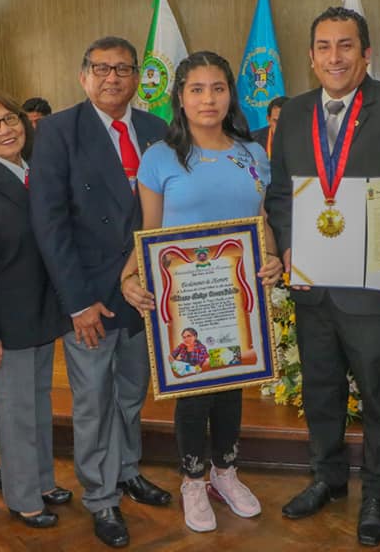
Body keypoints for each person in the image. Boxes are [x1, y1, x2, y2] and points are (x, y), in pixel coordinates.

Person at [264, 7, 380, 547]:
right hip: (314, 284)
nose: (335, 56)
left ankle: (376, 494)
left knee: (379, 395)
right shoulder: (292, 115)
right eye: (324, 46)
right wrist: (291, 245)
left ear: (366, 53)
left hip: (374, 284)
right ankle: (327, 477)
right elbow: (279, 194)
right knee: (320, 390)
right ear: (311, 56)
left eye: (346, 45)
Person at [120, 50, 283, 533]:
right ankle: (193, 479)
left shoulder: (252, 153)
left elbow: (262, 221)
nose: (207, 98)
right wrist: (129, 278)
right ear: (180, 97)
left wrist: (272, 257)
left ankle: (225, 473)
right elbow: (148, 230)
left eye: (217, 88)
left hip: (237, 296)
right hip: (184, 297)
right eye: (196, 89)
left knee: (231, 386)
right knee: (192, 392)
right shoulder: (159, 156)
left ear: (230, 94)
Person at [30, 36, 171, 548]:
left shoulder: (158, 131)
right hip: (90, 296)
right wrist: (77, 302)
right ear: (83, 75)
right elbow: (50, 224)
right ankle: (100, 496)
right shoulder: (58, 132)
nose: (112, 78)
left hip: (144, 294)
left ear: (138, 78)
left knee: (132, 393)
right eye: (101, 68)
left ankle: (127, 469)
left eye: (123, 69)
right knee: (92, 400)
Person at [0, 90, 73, 529]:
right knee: (16, 411)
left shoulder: (37, 174)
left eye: (10, 119)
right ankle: (24, 498)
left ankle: (43, 481)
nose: (5, 130)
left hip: (43, 315)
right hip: (6, 323)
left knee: (39, 406)